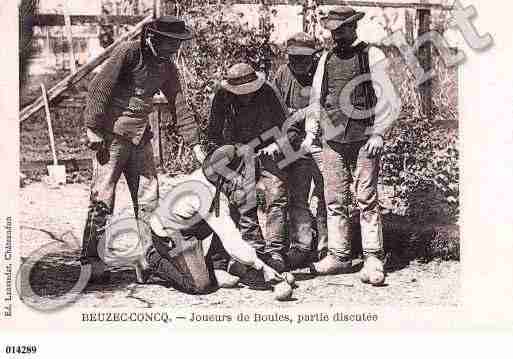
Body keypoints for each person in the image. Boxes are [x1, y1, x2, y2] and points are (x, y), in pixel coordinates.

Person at [82, 16, 206, 283]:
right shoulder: (129, 52)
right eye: (170, 43)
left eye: (177, 44)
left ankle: (148, 258)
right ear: (153, 38)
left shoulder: (167, 67)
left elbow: (179, 104)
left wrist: (195, 144)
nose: (174, 49)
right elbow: (99, 87)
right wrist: (92, 127)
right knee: (103, 197)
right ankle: (91, 261)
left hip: (141, 138)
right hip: (111, 137)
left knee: (150, 199)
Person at [302, 6, 395, 284]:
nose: (336, 36)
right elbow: (317, 99)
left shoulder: (371, 55)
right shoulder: (326, 59)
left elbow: (387, 98)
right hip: (333, 139)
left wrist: (379, 133)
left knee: (366, 197)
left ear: (353, 28)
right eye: (333, 31)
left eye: (341, 30)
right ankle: (340, 255)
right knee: (334, 199)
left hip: (366, 137)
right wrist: (311, 133)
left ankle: (372, 256)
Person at [134, 145, 283, 294]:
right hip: (169, 234)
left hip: (190, 227)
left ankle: (216, 266)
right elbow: (230, 239)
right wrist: (261, 266)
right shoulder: (206, 194)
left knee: (230, 213)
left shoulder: (211, 179)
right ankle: (151, 259)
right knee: (199, 285)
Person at [207, 63, 290, 272]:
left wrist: (277, 144)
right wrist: (228, 155)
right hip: (238, 151)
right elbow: (213, 135)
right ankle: (242, 253)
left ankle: (275, 251)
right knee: (240, 199)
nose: (245, 97)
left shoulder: (269, 91)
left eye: (249, 92)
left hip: (269, 149)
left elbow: (289, 128)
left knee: (275, 195)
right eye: (240, 94)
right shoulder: (222, 97)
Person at [272, 32, 328, 269]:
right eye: (294, 58)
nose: (299, 64)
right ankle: (299, 245)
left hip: (319, 140)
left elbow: (326, 108)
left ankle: (325, 246)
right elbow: (274, 108)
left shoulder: (320, 73)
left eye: (304, 59)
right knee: (293, 195)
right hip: (290, 142)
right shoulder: (283, 74)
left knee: (323, 195)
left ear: (313, 57)